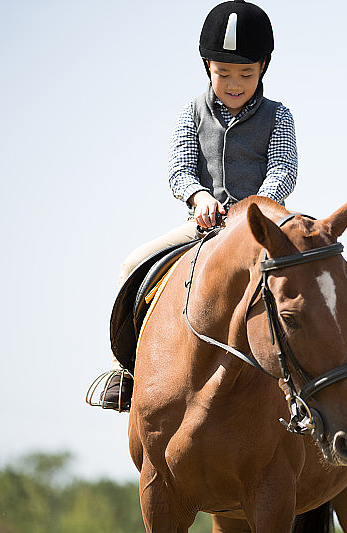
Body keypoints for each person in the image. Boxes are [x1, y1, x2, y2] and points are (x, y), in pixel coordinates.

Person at [89, 0, 298, 412]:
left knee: (312, 281)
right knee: (132, 264)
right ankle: (125, 372)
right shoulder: (191, 111)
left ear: (263, 68)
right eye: (223, 74)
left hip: (261, 228)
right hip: (203, 224)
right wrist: (200, 197)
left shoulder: (280, 116)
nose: (234, 83)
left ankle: (315, 381)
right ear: (207, 66)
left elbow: (283, 171)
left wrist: (254, 210)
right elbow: (180, 170)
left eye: (245, 74)